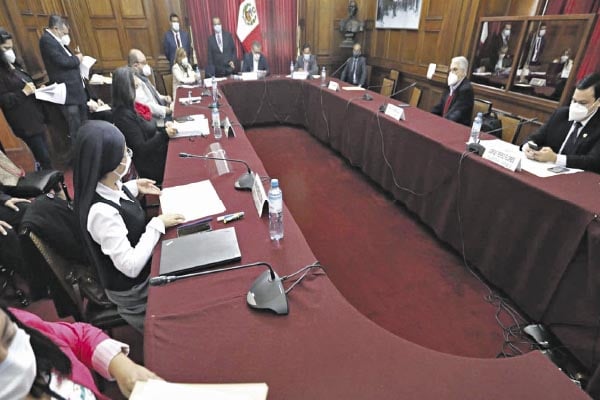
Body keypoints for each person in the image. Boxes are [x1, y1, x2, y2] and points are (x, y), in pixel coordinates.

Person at [73, 119, 184, 332]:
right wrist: (157, 224)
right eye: (124, 154)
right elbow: (130, 266)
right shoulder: (101, 214)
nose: (128, 157)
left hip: (143, 269)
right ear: (108, 165)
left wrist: (133, 187)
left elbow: (115, 194)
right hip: (134, 290)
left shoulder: (102, 183)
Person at [0, 304, 158, 399]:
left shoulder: (21, 322)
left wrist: (122, 367)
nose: (16, 363)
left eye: (8, 336)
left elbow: (79, 336)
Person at [523, 73, 600, 173]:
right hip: (545, 171)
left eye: (583, 103)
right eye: (574, 101)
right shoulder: (561, 114)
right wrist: (528, 147)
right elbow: (535, 137)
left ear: (598, 102)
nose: (576, 106)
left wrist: (555, 158)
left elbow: (593, 162)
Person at [112, 67, 176, 183]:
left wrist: (164, 128)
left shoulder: (132, 106)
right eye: (135, 81)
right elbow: (141, 149)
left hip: (157, 152)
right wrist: (164, 134)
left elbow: (148, 128)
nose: (138, 81)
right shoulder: (123, 116)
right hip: (151, 164)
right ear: (127, 87)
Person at [0, 28, 52, 169]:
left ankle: (52, 179)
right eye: (5, 48)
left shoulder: (15, 65)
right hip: (24, 123)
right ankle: (53, 182)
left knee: (47, 155)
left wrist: (37, 89)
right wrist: (24, 92)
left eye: (11, 47)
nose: (10, 52)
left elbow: (26, 84)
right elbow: (4, 100)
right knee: (44, 158)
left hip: (36, 117)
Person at [39, 15, 87, 144]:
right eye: (64, 33)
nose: (65, 36)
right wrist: (77, 59)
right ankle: (80, 153)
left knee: (84, 125)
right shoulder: (47, 41)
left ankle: (87, 148)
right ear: (56, 28)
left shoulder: (57, 41)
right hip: (68, 94)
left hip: (75, 91)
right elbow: (63, 62)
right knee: (75, 127)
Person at [128, 48, 172, 119]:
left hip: (159, 113)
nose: (147, 65)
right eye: (144, 63)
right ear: (135, 66)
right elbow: (145, 105)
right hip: (153, 119)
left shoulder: (143, 78)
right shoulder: (134, 82)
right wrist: (164, 110)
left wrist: (164, 98)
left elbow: (155, 96)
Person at [431, 56, 474, 126]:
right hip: (445, 123)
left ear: (464, 72)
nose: (452, 73)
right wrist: (430, 117)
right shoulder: (450, 86)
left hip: (457, 127)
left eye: (455, 69)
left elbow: (455, 115)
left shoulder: (466, 90)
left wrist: (440, 124)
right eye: (451, 70)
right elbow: (439, 106)